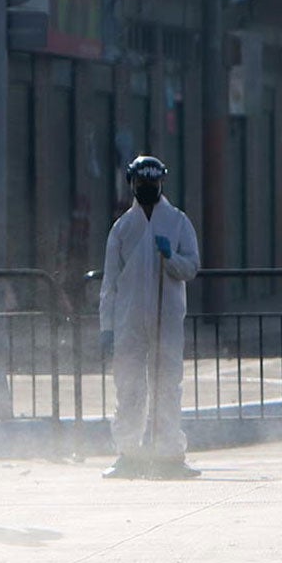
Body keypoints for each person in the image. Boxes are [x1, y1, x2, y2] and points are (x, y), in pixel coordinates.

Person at [98, 155, 201, 480]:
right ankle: (130, 454)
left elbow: (192, 267)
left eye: (152, 185)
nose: (147, 191)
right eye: (141, 185)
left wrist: (170, 258)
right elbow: (109, 283)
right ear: (132, 185)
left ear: (161, 185)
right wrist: (107, 326)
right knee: (129, 386)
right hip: (129, 319)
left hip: (166, 318)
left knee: (167, 384)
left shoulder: (178, 222)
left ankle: (169, 453)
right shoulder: (122, 229)